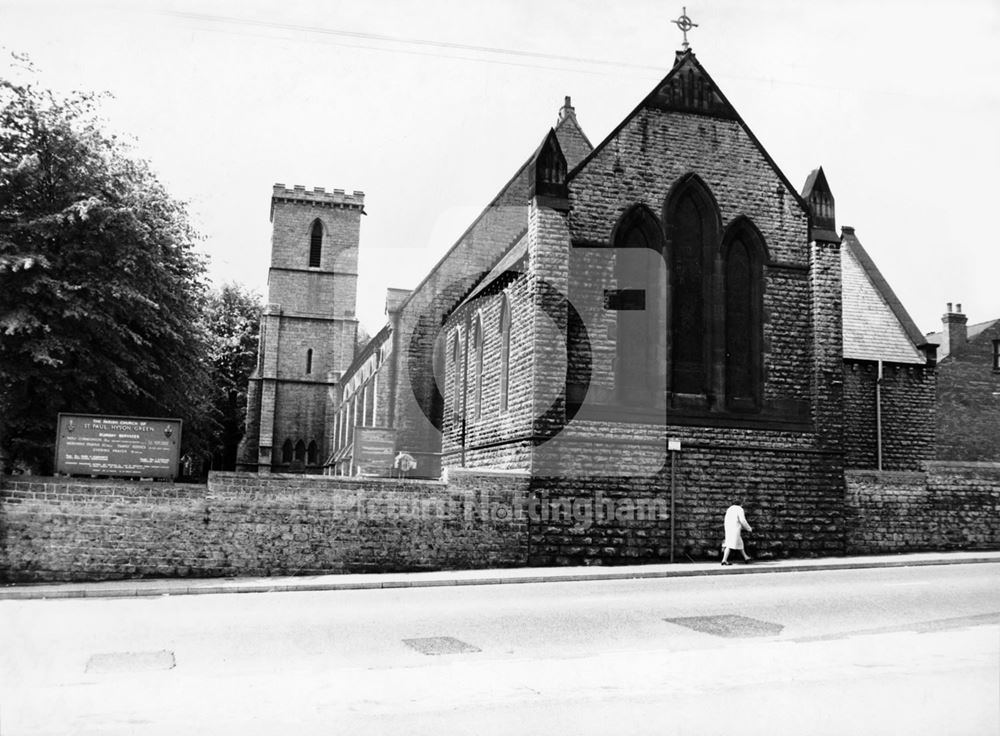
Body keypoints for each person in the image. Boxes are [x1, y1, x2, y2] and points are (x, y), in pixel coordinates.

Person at [721, 501, 753, 565]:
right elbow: (742, 520)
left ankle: (746, 557)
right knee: (729, 544)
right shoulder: (739, 509)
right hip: (735, 528)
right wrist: (749, 528)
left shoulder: (729, 509)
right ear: (740, 504)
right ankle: (724, 560)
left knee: (739, 543)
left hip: (728, 528)